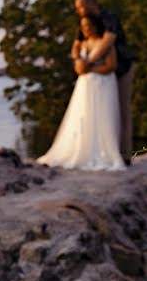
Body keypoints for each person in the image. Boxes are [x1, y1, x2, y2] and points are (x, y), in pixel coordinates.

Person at [36, 16, 125, 171]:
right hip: (85, 86)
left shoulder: (105, 43)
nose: (86, 28)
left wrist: (89, 69)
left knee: (101, 117)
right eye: (83, 26)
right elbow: (76, 61)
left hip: (103, 84)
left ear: (96, 25)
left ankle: (102, 153)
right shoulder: (81, 44)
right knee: (82, 116)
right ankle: (82, 150)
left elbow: (111, 66)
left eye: (89, 25)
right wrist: (80, 66)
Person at [71, 0, 136, 164]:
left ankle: (125, 156)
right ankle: (101, 153)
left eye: (82, 6)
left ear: (92, 2)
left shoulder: (109, 18)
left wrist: (88, 62)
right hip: (100, 77)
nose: (80, 10)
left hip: (121, 69)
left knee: (122, 111)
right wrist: (78, 60)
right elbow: (76, 45)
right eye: (78, 8)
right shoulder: (85, 23)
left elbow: (108, 41)